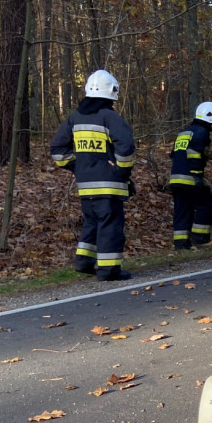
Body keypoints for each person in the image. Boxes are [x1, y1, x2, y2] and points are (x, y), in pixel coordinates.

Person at [49, 69, 134, 281]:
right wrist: (121, 171)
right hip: (109, 184)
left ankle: (84, 262)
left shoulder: (75, 118)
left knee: (91, 222)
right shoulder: (110, 117)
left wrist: (78, 167)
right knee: (110, 225)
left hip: (85, 185)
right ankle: (108, 270)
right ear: (111, 93)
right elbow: (126, 147)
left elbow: (58, 150)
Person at [169, 101, 212, 249]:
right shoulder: (202, 133)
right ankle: (200, 239)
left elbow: (174, 154)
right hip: (190, 178)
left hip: (175, 178)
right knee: (206, 205)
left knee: (182, 209)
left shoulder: (184, 132)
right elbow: (194, 155)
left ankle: (180, 243)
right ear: (209, 117)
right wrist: (197, 176)